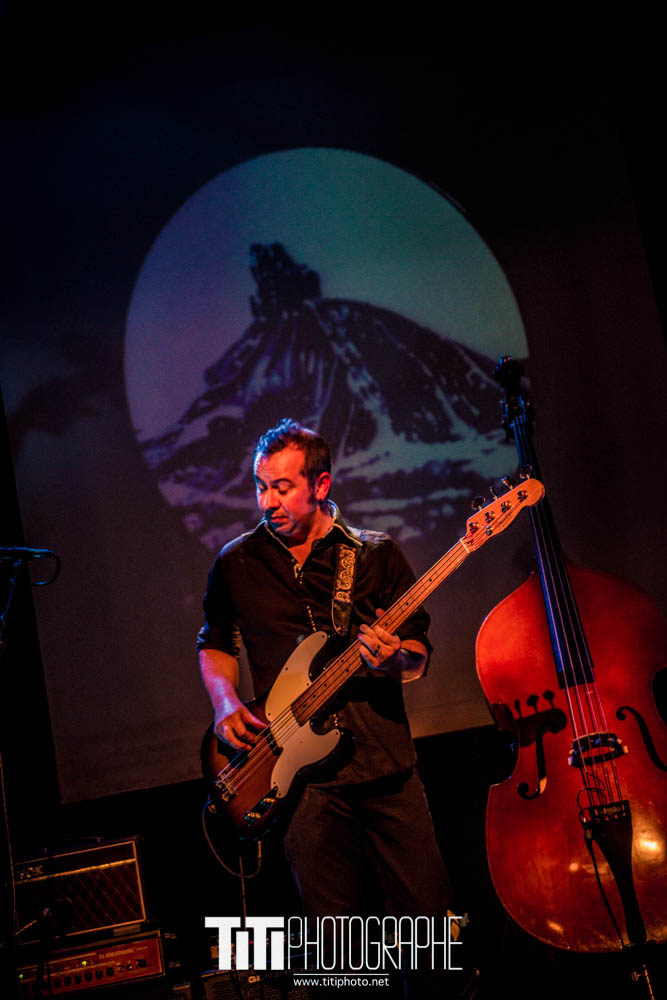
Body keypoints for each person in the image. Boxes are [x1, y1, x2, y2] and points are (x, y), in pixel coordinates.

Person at [198, 418, 452, 992]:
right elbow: (214, 642)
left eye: (282, 487)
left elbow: (417, 655)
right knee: (340, 959)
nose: (268, 501)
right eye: (260, 486)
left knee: (431, 937)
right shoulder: (237, 562)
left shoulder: (376, 555)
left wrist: (392, 661)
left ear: (320, 484)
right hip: (300, 784)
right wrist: (223, 702)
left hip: (385, 768)